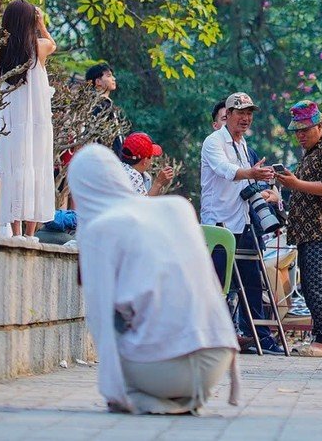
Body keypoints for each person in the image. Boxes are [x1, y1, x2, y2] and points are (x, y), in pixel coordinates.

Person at [66, 145, 238, 414]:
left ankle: (143, 396)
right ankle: (188, 396)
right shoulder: (177, 207)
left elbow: (100, 320)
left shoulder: (101, 229)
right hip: (218, 358)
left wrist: (115, 392)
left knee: (116, 315)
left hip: (161, 368)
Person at [198, 91, 279, 353]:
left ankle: (260, 337)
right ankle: (208, 338)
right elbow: (225, 170)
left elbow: (246, 181)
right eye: (240, 113)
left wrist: (262, 183)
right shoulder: (213, 142)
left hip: (243, 221)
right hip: (218, 224)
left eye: (249, 114)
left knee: (253, 282)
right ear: (228, 114)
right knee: (216, 283)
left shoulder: (243, 145)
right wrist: (252, 172)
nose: (245, 118)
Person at [272, 99, 322, 356]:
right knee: (314, 284)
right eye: (297, 131)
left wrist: (295, 184)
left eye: (306, 130)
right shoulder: (309, 154)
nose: (301, 136)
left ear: (320, 126)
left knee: (321, 284)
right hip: (308, 231)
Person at [0, 0, 56, 238]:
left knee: (13, 169)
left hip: (9, 124)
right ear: (30, 22)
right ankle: (30, 233)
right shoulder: (39, 48)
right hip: (37, 123)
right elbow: (53, 44)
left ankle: (15, 231)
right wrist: (41, 24)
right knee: (37, 168)